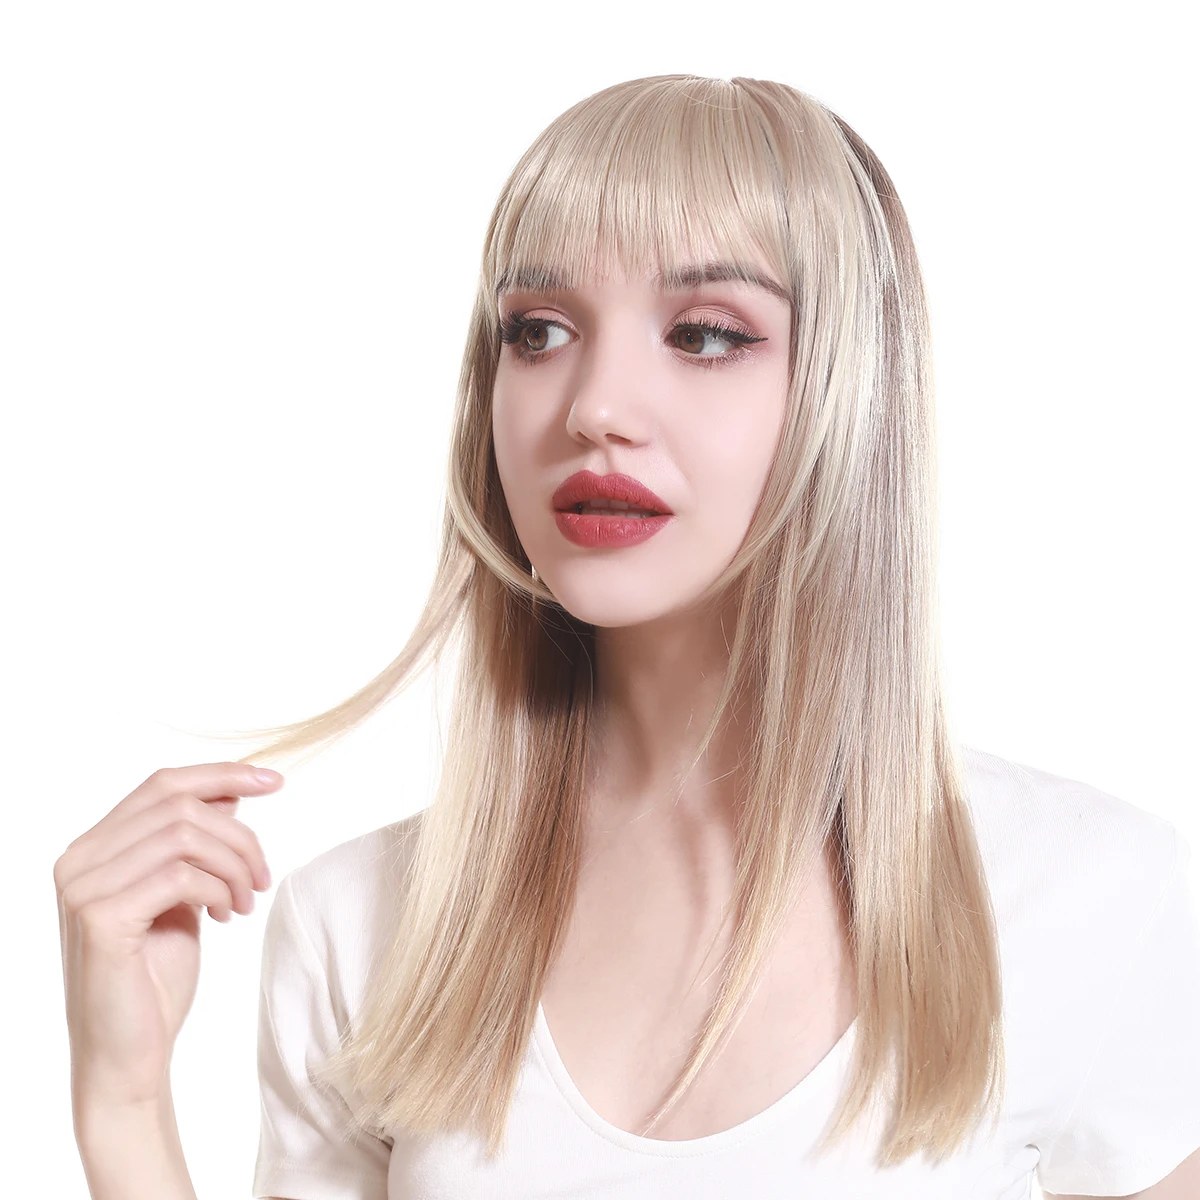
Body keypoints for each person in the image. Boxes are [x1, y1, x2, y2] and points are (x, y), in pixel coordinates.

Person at [56, 74, 1200, 1200]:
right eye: (539, 330)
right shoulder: (359, 929)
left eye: (704, 334)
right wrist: (124, 1106)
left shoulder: (1092, 896)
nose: (594, 405)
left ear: (849, 391)